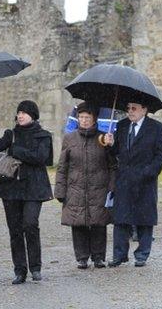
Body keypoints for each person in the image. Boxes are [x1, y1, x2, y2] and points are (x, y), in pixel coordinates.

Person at [0, 100, 53, 284]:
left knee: (30, 224)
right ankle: (20, 270)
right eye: (19, 113)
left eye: (24, 113)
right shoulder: (11, 134)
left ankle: (36, 267)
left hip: (34, 188)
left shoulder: (43, 136)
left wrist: (17, 150)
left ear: (33, 115)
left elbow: (41, 158)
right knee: (14, 230)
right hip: (11, 188)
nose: (20, 116)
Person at [102, 100, 162, 267]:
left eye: (134, 108)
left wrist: (149, 172)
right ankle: (119, 255)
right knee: (121, 218)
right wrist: (109, 144)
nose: (130, 111)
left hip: (145, 180)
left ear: (144, 110)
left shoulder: (156, 128)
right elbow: (116, 151)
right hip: (124, 179)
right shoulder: (123, 125)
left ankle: (142, 254)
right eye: (128, 108)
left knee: (145, 217)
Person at [55, 101, 116, 269]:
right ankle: (82, 257)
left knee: (98, 223)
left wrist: (112, 187)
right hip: (75, 187)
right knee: (78, 222)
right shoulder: (69, 138)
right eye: (81, 117)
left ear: (94, 119)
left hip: (99, 186)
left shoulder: (103, 137)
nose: (84, 120)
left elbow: (112, 165)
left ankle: (98, 257)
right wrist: (60, 190)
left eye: (87, 117)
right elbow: (62, 167)